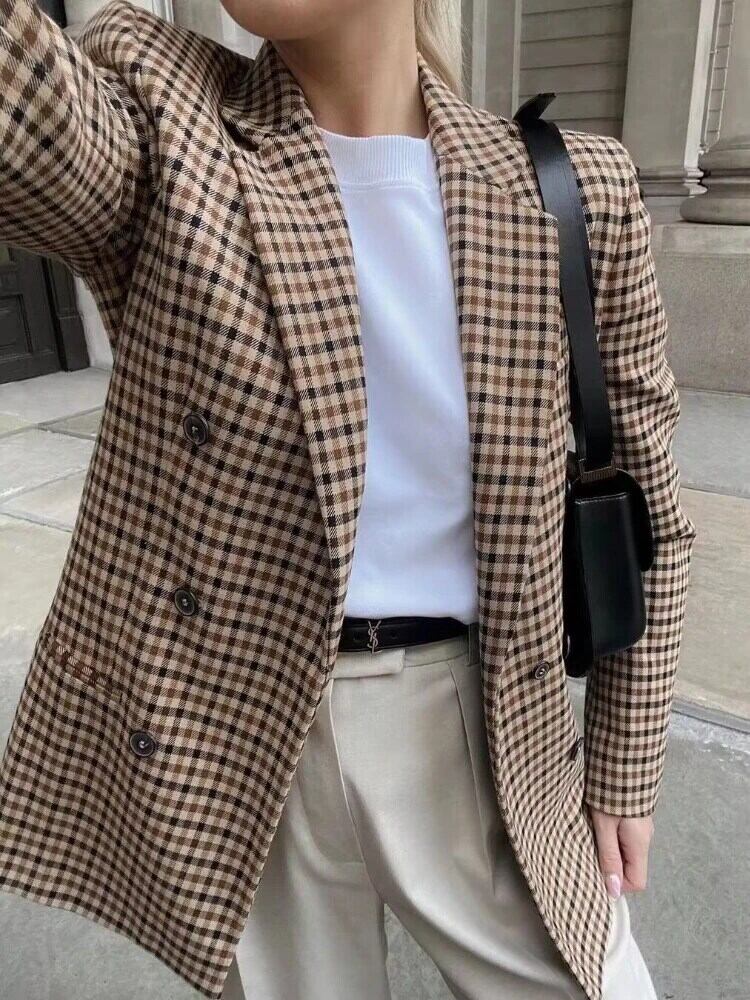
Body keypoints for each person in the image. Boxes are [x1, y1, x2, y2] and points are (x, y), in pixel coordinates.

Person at [0, 2, 697, 999]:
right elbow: (26, 118)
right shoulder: (167, 115)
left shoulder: (571, 184)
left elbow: (646, 501)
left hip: (482, 717)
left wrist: (626, 756)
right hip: (239, 720)